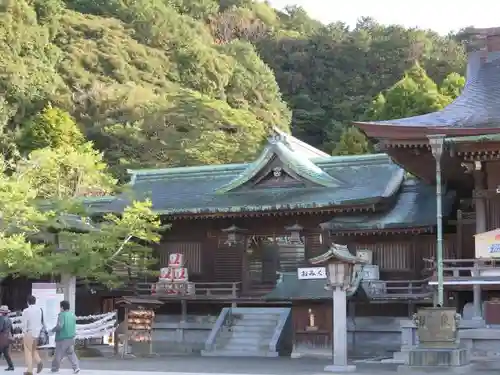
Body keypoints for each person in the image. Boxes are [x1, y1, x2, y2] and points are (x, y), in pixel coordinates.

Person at [51, 300, 80, 374]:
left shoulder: (61, 315)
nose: (60, 308)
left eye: (60, 307)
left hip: (62, 338)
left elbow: (60, 326)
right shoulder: (72, 315)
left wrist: (52, 330)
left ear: (62, 307)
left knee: (58, 354)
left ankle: (55, 368)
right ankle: (76, 367)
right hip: (71, 337)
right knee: (71, 353)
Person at [22, 295, 44, 375]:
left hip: (29, 332)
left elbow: (24, 324)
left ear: (28, 302)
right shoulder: (39, 310)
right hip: (37, 333)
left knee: (28, 351)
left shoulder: (26, 311)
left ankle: (30, 370)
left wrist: (23, 332)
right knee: (33, 350)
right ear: (35, 301)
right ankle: (39, 362)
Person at [0, 305, 14, 371]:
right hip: (7, 338)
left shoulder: (1, 318)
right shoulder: (9, 319)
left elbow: (0, 328)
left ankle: (11, 366)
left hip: (1, 338)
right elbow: (12, 330)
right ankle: (11, 366)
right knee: (6, 353)